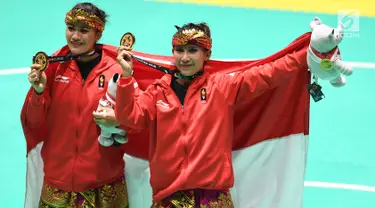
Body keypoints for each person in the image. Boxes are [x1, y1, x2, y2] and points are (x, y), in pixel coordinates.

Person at [113, 21, 349, 207]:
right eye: (179, 50)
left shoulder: (222, 87)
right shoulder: (157, 92)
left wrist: (307, 55)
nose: (184, 57)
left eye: (192, 50)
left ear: (207, 54)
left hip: (213, 199)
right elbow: (129, 120)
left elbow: (268, 74)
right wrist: (125, 79)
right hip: (168, 200)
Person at [21, 2, 131, 207]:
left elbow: (137, 119)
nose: (75, 36)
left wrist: (118, 120)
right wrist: (38, 92)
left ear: (98, 34)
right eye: (71, 28)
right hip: (58, 182)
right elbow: (33, 123)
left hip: (104, 183)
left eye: (84, 30)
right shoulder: (53, 67)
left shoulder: (116, 69)